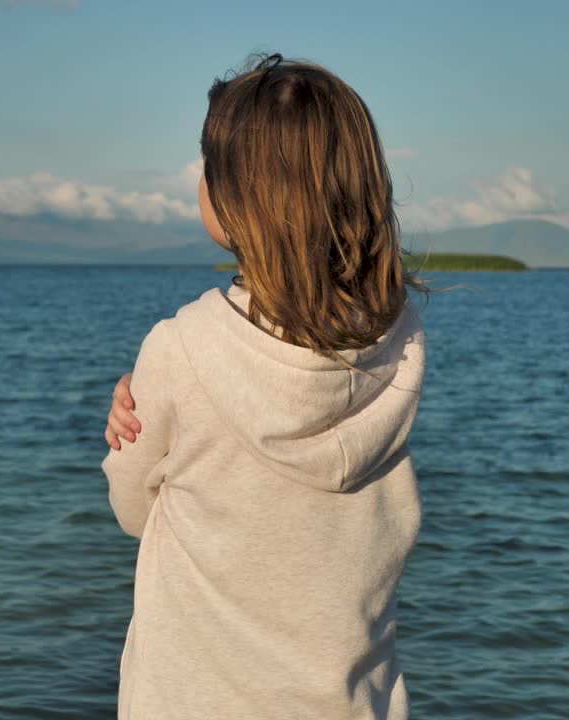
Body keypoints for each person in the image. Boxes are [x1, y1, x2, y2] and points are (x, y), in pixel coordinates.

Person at [100, 51, 432, 719]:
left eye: (208, 167)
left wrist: (127, 429)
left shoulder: (184, 347)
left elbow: (135, 511)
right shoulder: (400, 338)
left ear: (236, 198)